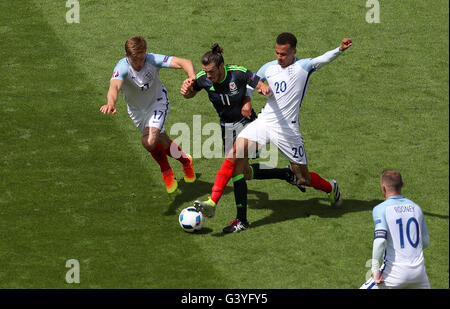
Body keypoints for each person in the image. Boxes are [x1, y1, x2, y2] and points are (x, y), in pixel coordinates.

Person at [193, 33, 352, 229]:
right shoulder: (269, 67)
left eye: (284, 54)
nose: (279, 57)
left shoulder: (304, 67)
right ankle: (212, 202)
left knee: (303, 178)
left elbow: (323, 58)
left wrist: (339, 49)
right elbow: (251, 85)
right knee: (235, 154)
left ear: (294, 51)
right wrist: (248, 101)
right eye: (277, 52)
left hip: (288, 129)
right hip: (265, 121)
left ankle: (330, 187)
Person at [181, 43, 305, 233]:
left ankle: (241, 219)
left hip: (247, 124)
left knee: (237, 170)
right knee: (245, 172)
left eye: (211, 72)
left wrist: (261, 89)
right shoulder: (203, 79)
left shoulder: (237, 73)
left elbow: (256, 83)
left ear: (221, 66)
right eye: (205, 72)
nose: (208, 76)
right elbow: (191, 93)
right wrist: (186, 91)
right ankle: (286, 174)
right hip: (226, 127)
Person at [100, 36, 196, 193]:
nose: (139, 64)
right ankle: (186, 161)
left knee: (149, 141)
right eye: (135, 60)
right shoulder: (122, 67)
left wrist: (191, 77)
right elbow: (114, 87)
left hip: (157, 103)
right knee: (162, 141)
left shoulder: (152, 59)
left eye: (141, 59)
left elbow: (184, 62)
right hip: (137, 111)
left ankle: (166, 172)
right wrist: (111, 103)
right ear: (127, 56)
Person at [360, 169, 430, 289]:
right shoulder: (416, 208)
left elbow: (380, 241)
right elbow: (425, 241)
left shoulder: (381, 209)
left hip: (394, 274)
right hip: (419, 275)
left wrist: (375, 269)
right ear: (402, 185)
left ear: (383, 188)